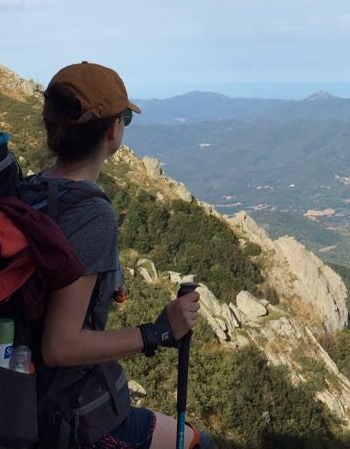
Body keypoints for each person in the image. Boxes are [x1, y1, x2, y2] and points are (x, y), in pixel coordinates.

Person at [28, 61, 213, 449]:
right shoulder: (91, 214)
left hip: (15, 392)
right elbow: (59, 346)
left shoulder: (28, 191)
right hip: (61, 413)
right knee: (199, 444)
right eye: (125, 116)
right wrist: (158, 332)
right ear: (113, 131)